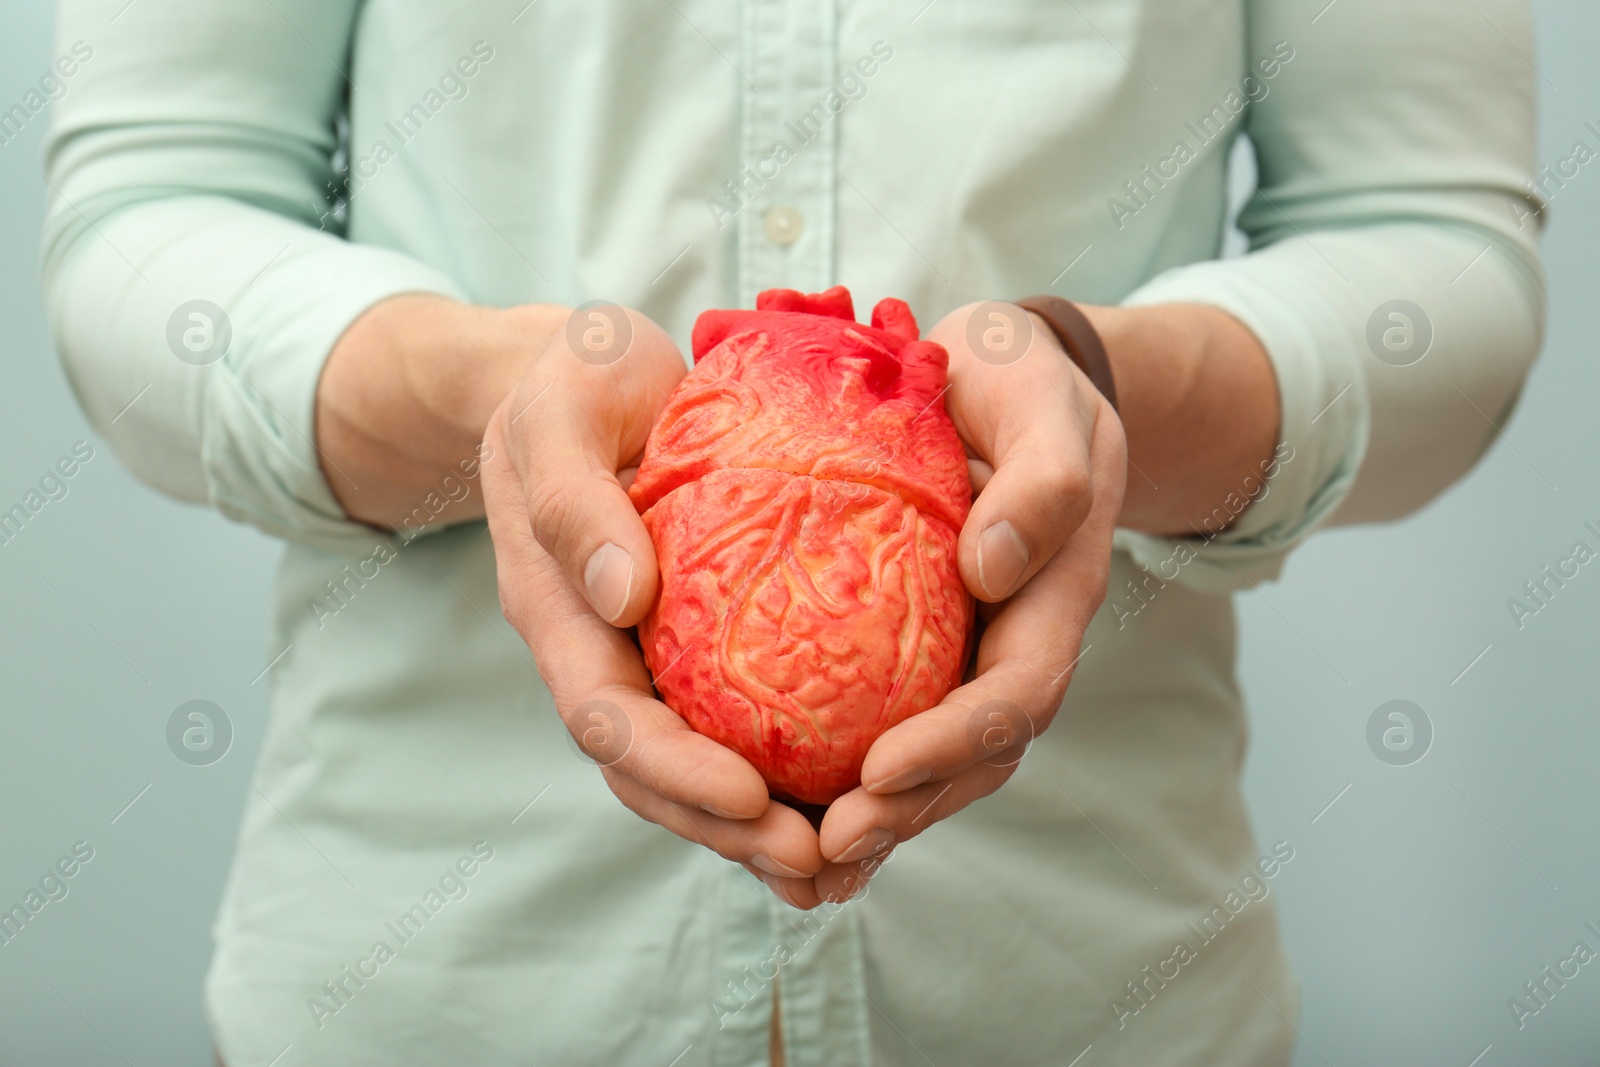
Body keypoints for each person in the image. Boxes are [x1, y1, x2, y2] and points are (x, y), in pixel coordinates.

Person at [42, 1, 1543, 1064]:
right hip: (434, 993)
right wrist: (495, 401)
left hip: (1091, 999)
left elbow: (1435, 254)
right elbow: (153, 217)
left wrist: (1101, 387)